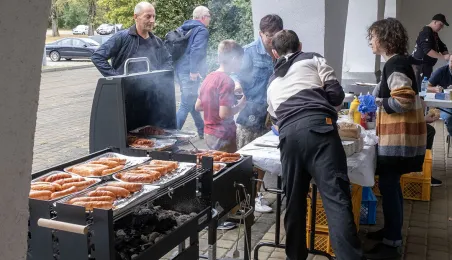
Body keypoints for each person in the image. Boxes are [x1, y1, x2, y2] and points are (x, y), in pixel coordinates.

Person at [267, 30, 364, 260]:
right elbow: (336, 95)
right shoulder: (313, 58)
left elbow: (275, 120)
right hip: (320, 129)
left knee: (293, 202)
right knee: (336, 200)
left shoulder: (271, 82)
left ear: (274, 53)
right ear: (300, 45)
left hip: (289, 138)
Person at [366, 18, 426, 259]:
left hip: (399, 140)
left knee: (390, 187)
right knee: (392, 187)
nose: (370, 41)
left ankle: (392, 243)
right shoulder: (398, 62)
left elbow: (403, 99)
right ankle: (391, 231)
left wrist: (379, 102)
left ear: (384, 38)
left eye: (373, 36)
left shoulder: (395, 63)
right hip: (401, 138)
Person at [235, 14, 283, 213]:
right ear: (260, 33)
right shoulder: (248, 52)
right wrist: (235, 84)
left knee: (262, 160)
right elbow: (233, 72)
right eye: (268, 35)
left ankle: (255, 196)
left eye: (276, 35)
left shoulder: (281, 49)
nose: (272, 39)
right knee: (246, 160)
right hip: (250, 113)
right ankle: (242, 200)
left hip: (271, 114)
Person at [92, 2, 172, 76]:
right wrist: (117, 77)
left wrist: (161, 78)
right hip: (126, 90)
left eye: (154, 16)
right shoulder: (122, 37)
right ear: (135, 17)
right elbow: (97, 57)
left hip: (152, 90)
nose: (152, 20)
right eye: (148, 16)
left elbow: (168, 61)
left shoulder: (157, 42)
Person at [195, 40, 246, 152]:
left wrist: (216, 104)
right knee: (229, 167)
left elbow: (198, 106)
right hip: (223, 135)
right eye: (240, 60)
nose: (241, 63)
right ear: (234, 59)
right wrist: (241, 105)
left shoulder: (209, 77)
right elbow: (224, 114)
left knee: (217, 166)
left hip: (209, 134)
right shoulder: (227, 81)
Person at [175, 6, 211, 138]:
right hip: (189, 71)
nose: (210, 18)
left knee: (191, 99)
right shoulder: (201, 30)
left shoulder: (185, 27)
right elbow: (197, 50)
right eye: (208, 16)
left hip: (179, 70)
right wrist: (194, 70)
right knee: (185, 104)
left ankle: (201, 130)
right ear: (202, 17)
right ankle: (172, 136)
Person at [412, 13, 450, 91]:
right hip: (420, 65)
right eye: (441, 25)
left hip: (426, 65)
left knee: (423, 89)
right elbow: (428, 50)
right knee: (420, 89)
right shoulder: (426, 31)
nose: (441, 28)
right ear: (435, 22)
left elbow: (441, 45)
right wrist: (443, 57)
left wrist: (448, 55)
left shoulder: (434, 33)